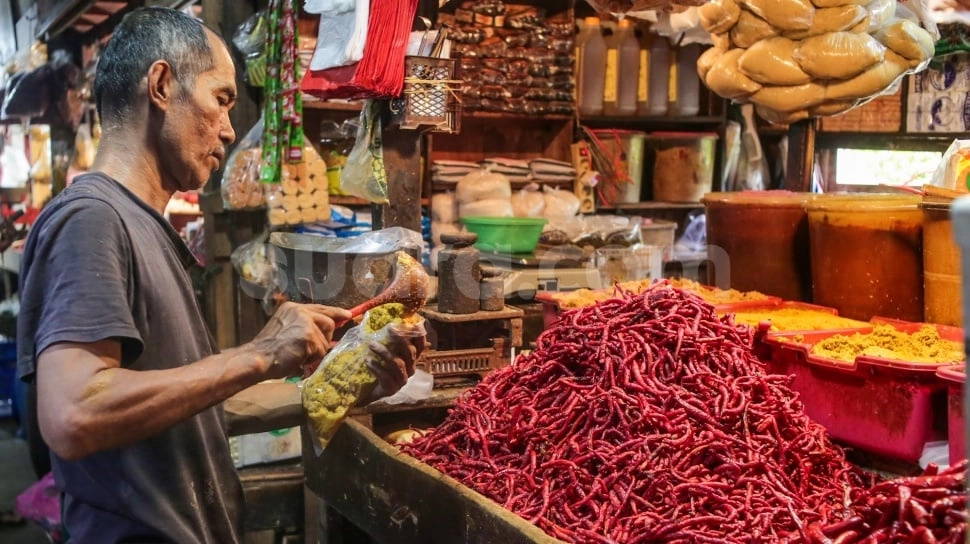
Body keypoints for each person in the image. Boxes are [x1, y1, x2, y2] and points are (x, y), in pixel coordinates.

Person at [16, 7, 423, 543]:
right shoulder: (92, 219)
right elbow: (73, 414)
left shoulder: (139, 224)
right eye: (221, 99)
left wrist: (335, 386)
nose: (230, 129)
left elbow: (190, 403)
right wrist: (258, 354)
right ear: (161, 85)